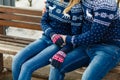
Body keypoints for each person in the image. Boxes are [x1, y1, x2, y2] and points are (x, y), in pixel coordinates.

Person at [12, 0, 85, 80]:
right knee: (17, 60)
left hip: (59, 44)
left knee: (27, 66)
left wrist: (64, 50)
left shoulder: (76, 8)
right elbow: (44, 21)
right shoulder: (52, 1)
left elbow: (75, 36)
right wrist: (52, 34)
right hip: (46, 38)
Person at [48, 0, 120, 80]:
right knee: (56, 66)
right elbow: (66, 4)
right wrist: (48, 6)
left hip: (107, 49)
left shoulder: (106, 4)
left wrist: (67, 39)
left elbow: (94, 35)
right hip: (86, 46)